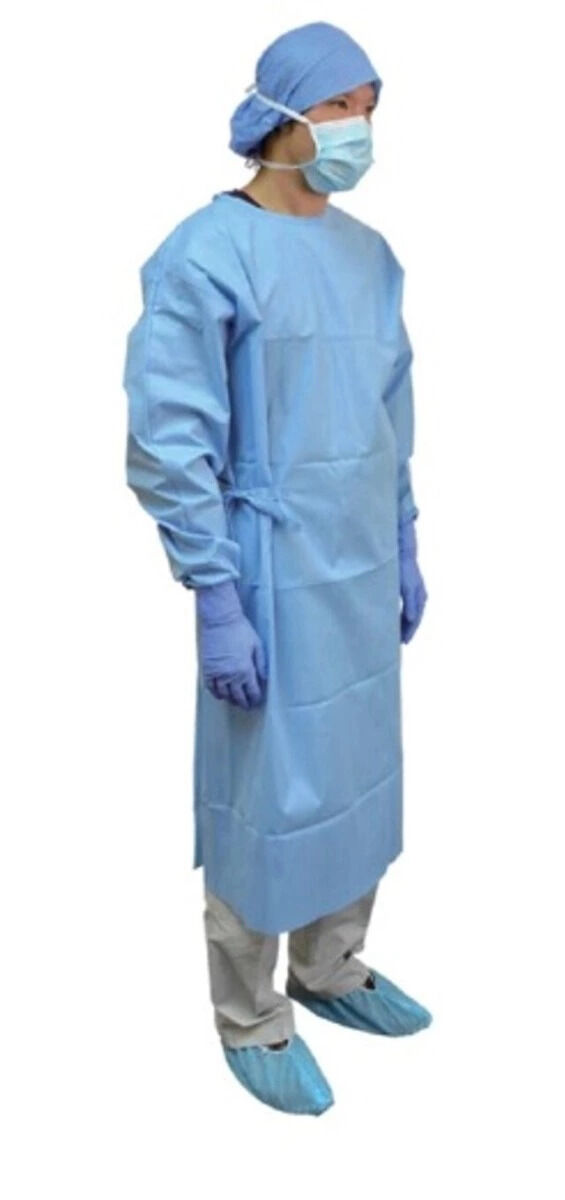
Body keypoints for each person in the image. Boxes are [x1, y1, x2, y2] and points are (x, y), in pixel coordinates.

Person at [123, 20, 431, 1117]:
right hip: (267, 574)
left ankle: (330, 967)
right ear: (284, 112)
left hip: (357, 567)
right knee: (265, 799)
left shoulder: (370, 256)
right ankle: (250, 1015)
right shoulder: (208, 252)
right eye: (342, 104)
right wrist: (215, 593)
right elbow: (169, 436)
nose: (359, 128)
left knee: (356, 779)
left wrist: (401, 536)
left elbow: (388, 414)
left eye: (370, 108)